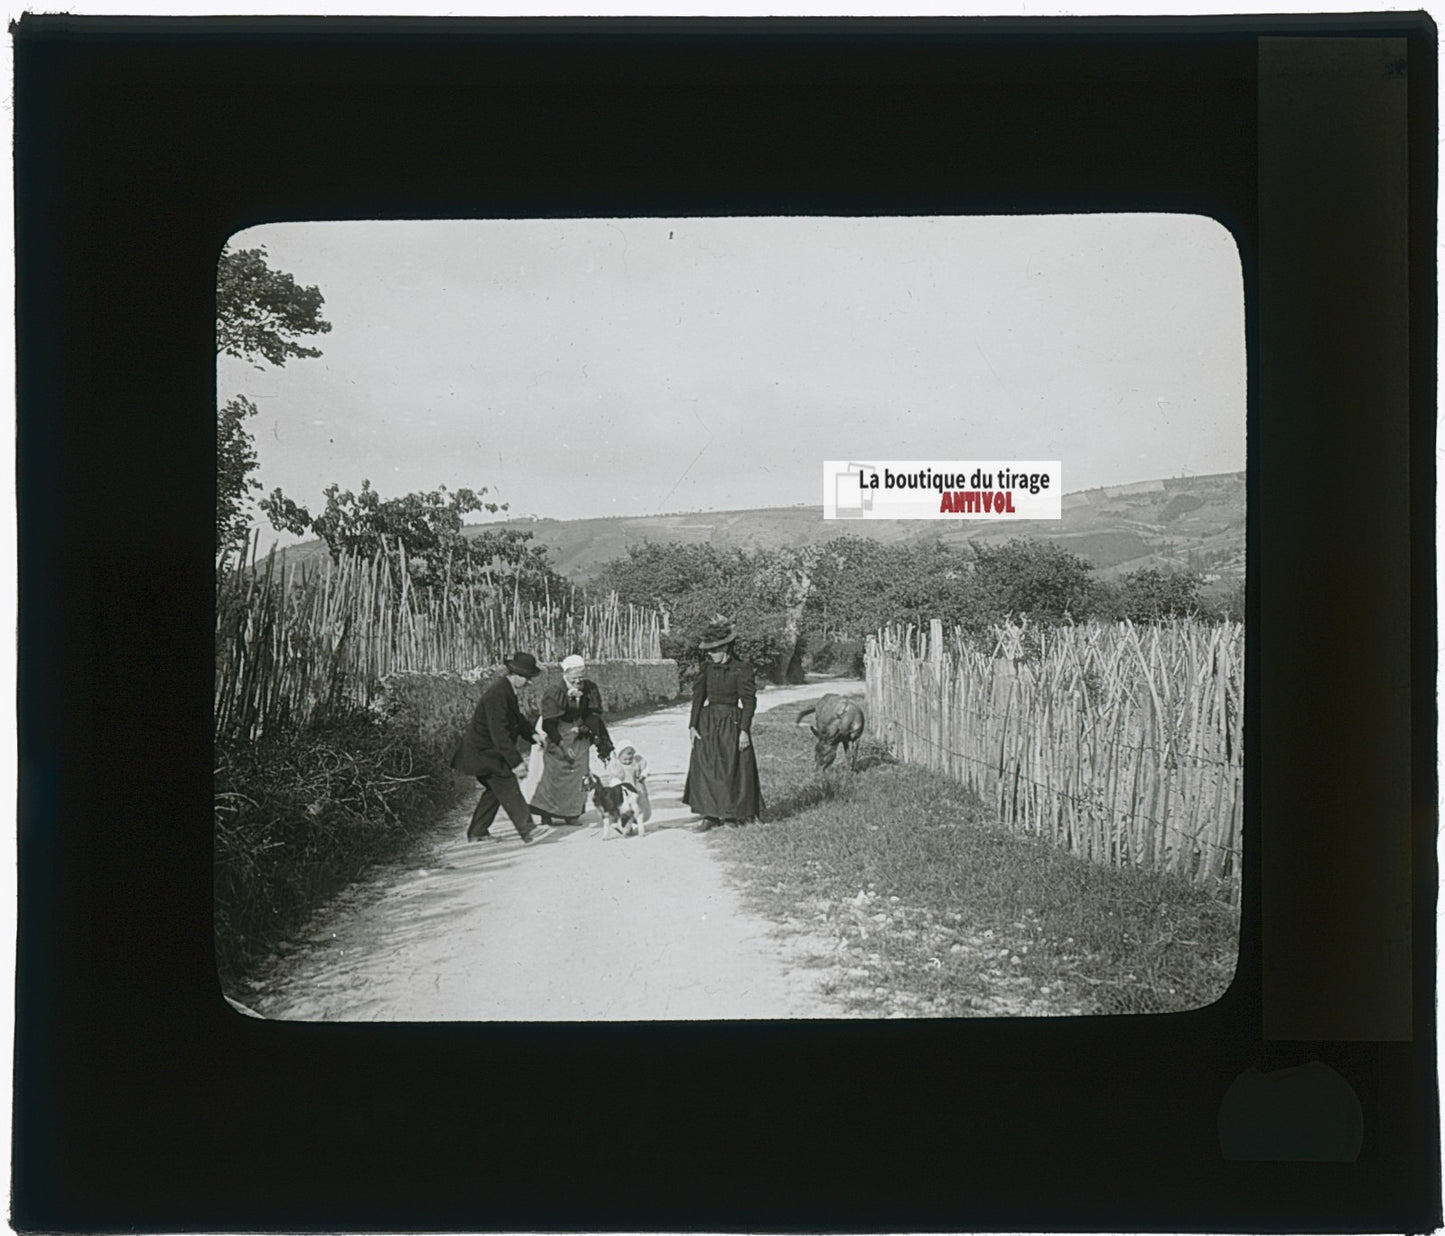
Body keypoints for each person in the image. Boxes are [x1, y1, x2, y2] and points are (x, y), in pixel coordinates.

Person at [450, 651, 548, 844]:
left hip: (486, 751)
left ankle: (478, 832)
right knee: (506, 782)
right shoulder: (498, 694)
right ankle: (527, 829)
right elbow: (499, 733)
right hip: (483, 752)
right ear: (515, 674)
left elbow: (516, 719)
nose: (529, 682)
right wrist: (516, 762)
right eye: (527, 678)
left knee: (495, 790)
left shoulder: (506, 690)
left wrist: (532, 734)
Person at [682, 620, 763, 831]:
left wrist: (744, 730)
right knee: (707, 767)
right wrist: (692, 725)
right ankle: (709, 815)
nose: (711, 655)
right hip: (708, 722)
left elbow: (749, 702)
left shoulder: (741, 669)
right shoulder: (706, 669)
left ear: (725, 648)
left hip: (732, 722)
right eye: (709, 651)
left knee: (730, 768)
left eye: (715, 650)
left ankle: (730, 816)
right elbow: (698, 697)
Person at [529, 653, 615, 826]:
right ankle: (547, 813)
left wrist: (596, 736)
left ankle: (572, 813)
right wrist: (559, 743)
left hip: (579, 730)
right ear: (565, 674)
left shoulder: (589, 688)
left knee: (579, 771)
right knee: (552, 773)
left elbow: (593, 714)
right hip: (555, 729)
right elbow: (549, 723)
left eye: (581, 678)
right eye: (575, 678)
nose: (578, 682)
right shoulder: (555, 692)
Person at [614, 744, 652, 824]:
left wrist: (643, 775)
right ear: (619, 757)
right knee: (625, 808)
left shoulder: (637, 762)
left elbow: (645, 768)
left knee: (640, 805)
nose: (628, 761)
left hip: (638, 789)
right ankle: (627, 825)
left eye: (630, 759)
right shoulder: (618, 766)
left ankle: (639, 820)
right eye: (625, 759)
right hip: (625, 791)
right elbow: (615, 779)